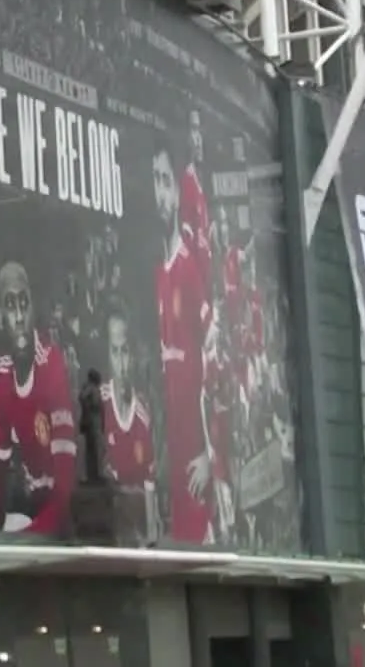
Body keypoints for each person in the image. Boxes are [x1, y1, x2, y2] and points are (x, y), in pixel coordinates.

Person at [0, 261, 77, 534]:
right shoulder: (2, 374)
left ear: (33, 307)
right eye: (10, 305)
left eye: (24, 303)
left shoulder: (51, 364)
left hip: (63, 521)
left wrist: (19, 542)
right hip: (33, 515)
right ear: (0, 316)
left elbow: (65, 491)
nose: (19, 316)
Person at [154, 146, 218, 544]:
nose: (158, 192)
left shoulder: (189, 267)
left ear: (177, 193)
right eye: (154, 181)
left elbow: (214, 358)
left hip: (198, 461)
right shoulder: (159, 271)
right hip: (175, 463)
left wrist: (212, 456)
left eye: (165, 181)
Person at [99, 314, 158, 541]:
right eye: (115, 352)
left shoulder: (143, 412)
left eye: (125, 352)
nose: (121, 363)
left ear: (132, 355)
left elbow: (149, 483)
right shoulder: (98, 404)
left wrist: (150, 542)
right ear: (108, 355)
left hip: (136, 533)